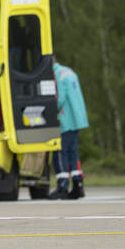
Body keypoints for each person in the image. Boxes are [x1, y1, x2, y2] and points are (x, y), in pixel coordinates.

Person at [49, 59, 89, 200]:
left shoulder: (56, 74)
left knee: (60, 153)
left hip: (65, 120)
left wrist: (48, 111)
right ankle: (78, 186)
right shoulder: (69, 71)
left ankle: (63, 186)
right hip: (77, 118)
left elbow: (59, 98)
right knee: (73, 153)